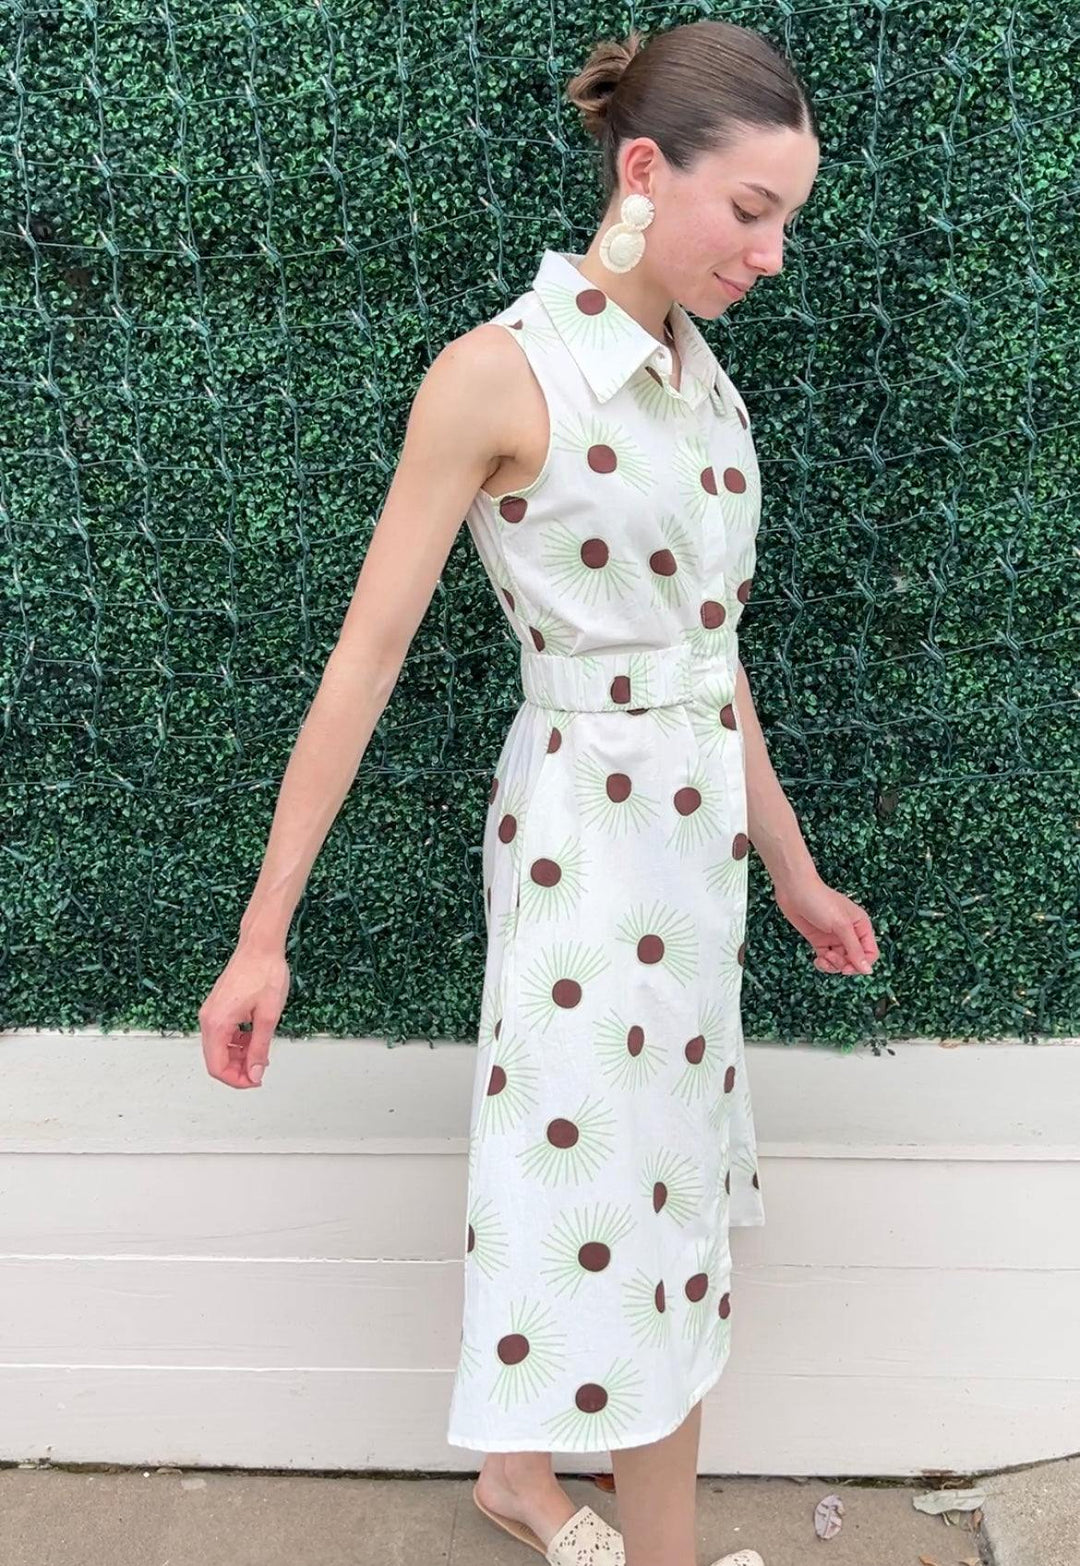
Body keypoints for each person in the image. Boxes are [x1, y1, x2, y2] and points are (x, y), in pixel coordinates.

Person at [198, 18, 879, 1566]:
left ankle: (520, 1476)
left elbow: (709, 657)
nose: (772, 255)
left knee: (654, 1181)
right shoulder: (499, 376)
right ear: (643, 170)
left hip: (697, 861)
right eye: (751, 211)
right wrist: (262, 933)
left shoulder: (699, 382)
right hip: (589, 837)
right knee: (626, 1203)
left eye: (788, 219)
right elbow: (366, 658)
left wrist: (792, 870)